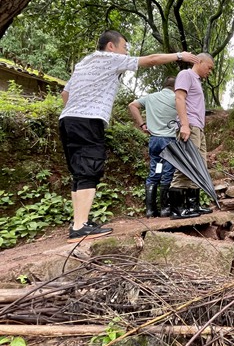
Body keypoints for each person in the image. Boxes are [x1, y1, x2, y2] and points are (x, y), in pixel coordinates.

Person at [59, 30, 200, 243]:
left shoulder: (84, 63)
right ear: (111, 46)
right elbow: (151, 60)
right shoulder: (109, 59)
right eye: (124, 47)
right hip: (89, 120)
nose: (126, 52)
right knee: (90, 169)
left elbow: (65, 94)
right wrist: (179, 55)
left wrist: (76, 111)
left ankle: (80, 221)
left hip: (68, 120)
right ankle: (80, 227)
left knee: (80, 172)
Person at [169, 52, 215, 219]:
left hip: (198, 128)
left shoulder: (197, 81)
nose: (209, 72)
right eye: (209, 67)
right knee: (186, 164)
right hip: (190, 126)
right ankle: (177, 208)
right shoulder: (186, 74)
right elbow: (179, 98)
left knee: (198, 166)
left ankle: (192, 205)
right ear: (199, 61)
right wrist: (185, 125)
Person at [128, 76, 177, 218]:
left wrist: (142, 124)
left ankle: (150, 210)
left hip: (154, 140)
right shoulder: (177, 98)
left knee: (155, 170)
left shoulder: (150, 97)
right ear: (175, 87)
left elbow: (132, 105)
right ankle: (165, 209)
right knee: (168, 172)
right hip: (169, 140)